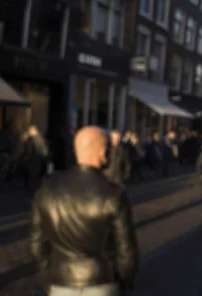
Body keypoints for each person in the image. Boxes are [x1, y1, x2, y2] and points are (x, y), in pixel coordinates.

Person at [30, 126, 138, 296]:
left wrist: (48, 276)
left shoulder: (47, 190)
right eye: (108, 148)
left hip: (61, 281)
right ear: (102, 151)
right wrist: (122, 281)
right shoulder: (113, 194)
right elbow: (126, 252)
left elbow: (37, 245)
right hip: (102, 282)